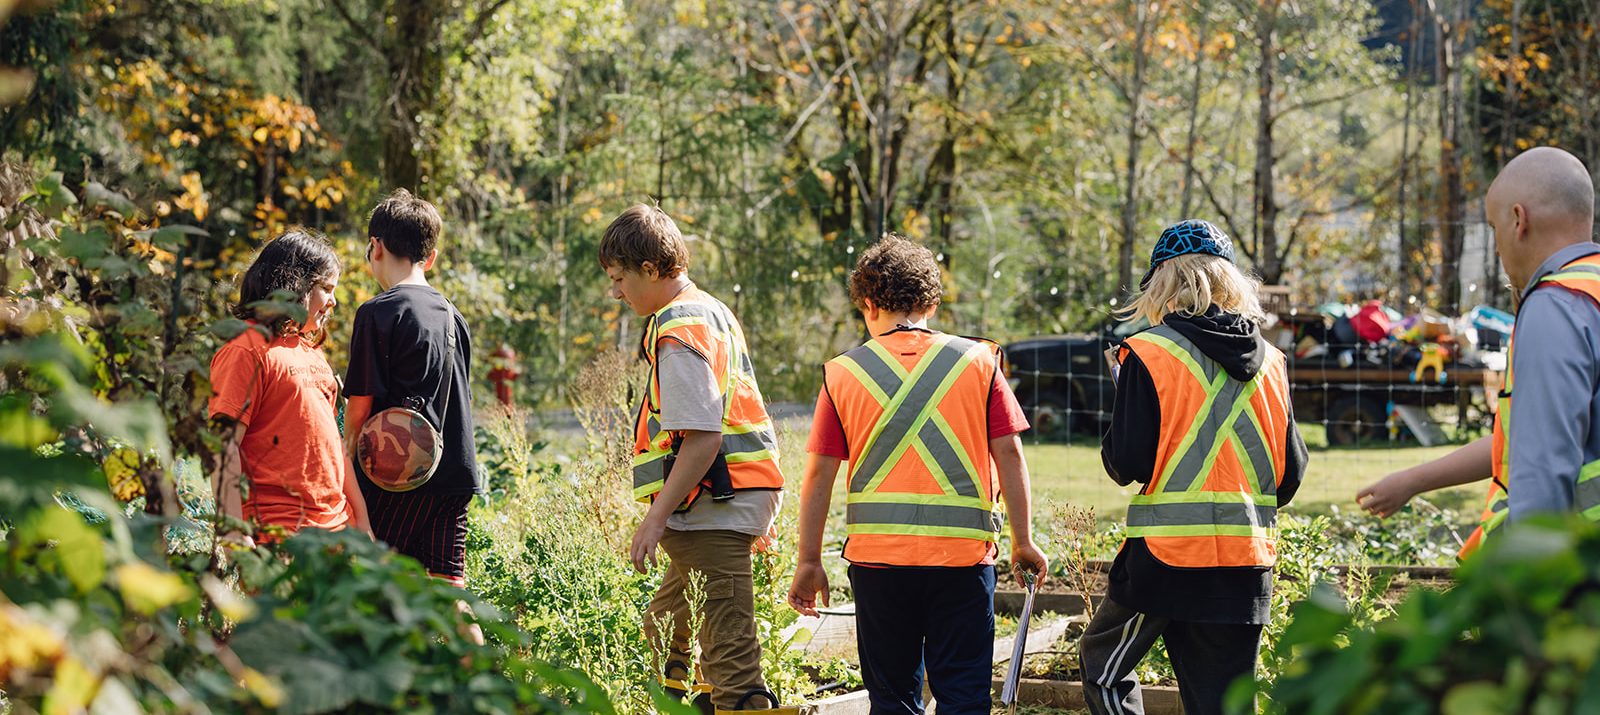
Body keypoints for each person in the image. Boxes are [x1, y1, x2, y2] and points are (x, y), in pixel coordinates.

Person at [786, 234, 1048, 715]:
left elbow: (819, 475)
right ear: (931, 300)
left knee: (891, 699)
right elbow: (1009, 452)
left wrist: (808, 560)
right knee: (964, 696)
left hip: (879, 565)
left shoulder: (843, 373)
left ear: (867, 303)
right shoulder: (979, 362)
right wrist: (1023, 539)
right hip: (963, 562)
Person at [1081, 220, 1307, 715]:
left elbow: (1126, 464)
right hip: (1245, 564)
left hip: (1165, 561)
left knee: (1104, 667)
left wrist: (1129, 397)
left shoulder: (1147, 352)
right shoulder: (1273, 362)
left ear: (1162, 282)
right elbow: (1288, 478)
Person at [1357, 147, 1599, 556]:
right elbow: (1525, 437)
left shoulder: (1554, 306)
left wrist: (1529, 592)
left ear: (1519, 220)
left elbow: (1542, 471)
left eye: (1493, 227)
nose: (1499, 248)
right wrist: (1415, 480)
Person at [601, 204, 788, 713]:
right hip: (721, 504)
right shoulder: (709, 309)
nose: (615, 292)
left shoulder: (678, 327)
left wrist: (654, 517)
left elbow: (703, 436)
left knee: (732, 663)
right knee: (665, 629)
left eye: (620, 278)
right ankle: (692, 703)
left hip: (714, 505)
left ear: (651, 269)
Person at [343, 189, 481, 587]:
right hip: (454, 476)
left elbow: (360, 406)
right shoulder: (455, 317)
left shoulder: (377, 312)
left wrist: (346, 463)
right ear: (431, 257)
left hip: (396, 479)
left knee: (373, 589)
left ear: (375, 246)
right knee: (450, 596)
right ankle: (471, 652)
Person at [210, 229, 371, 546]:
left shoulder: (312, 353)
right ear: (296, 285)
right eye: (326, 288)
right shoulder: (246, 350)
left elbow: (335, 446)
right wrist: (232, 532)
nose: (334, 301)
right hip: (281, 535)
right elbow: (222, 447)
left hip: (338, 533)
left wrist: (362, 520)